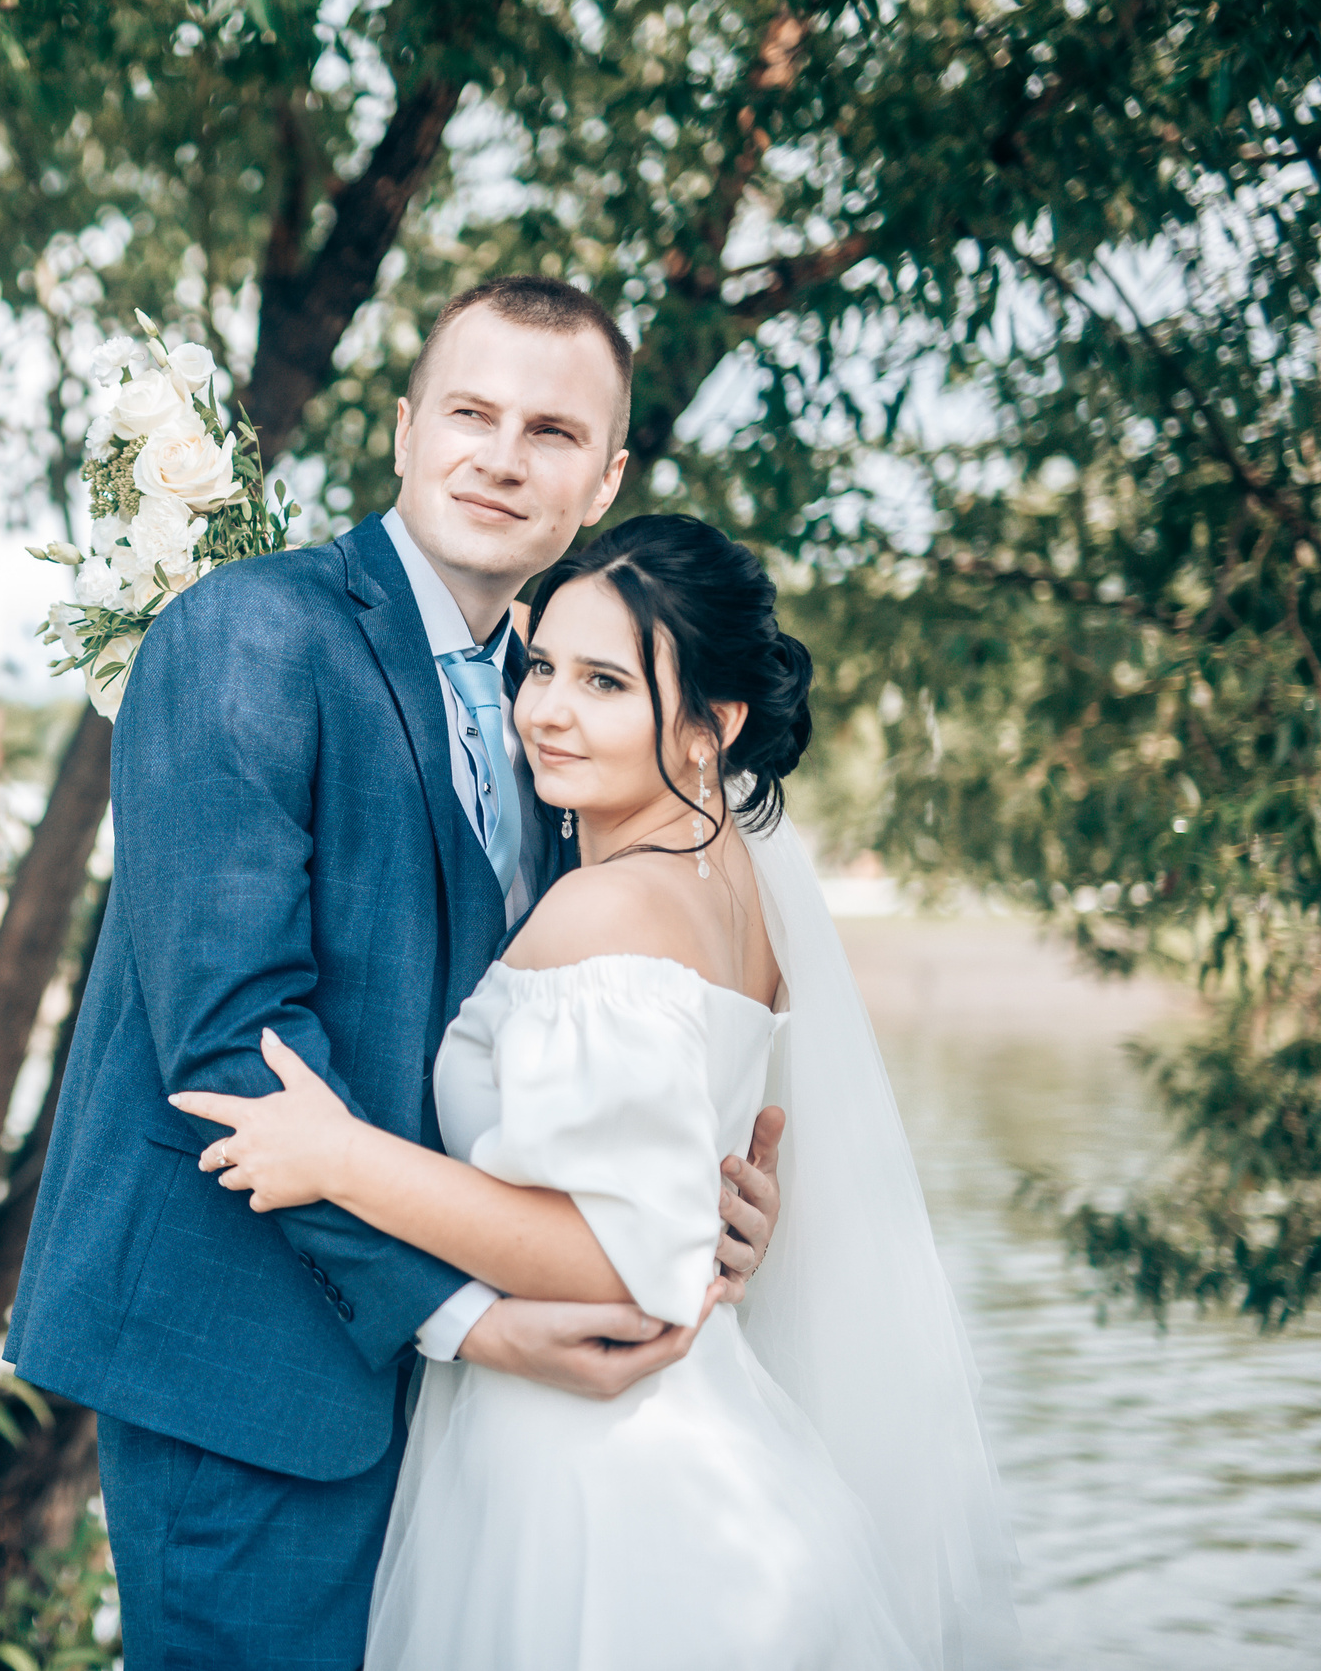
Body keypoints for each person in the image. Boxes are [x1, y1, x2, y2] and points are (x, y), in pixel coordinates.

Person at [3, 276, 785, 1669]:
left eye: (550, 431)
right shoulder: (249, 633)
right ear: (407, 426)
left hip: (451, 1408)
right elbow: (230, 1054)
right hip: (247, 1364)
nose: (500, 454)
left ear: (602, 480)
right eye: (471, 412)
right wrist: (472, 1317)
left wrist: (693, 1195)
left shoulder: (555, 705)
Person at [174, 514, 1020, 1668]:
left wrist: (339, 1156)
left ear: (712, 722)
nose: (547, 711)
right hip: (694, 1439)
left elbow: (621, 1259)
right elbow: (671, 1194)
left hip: (595, 1485)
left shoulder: (609, 907)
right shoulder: (731, 879)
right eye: (542, 668)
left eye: (606, 682)